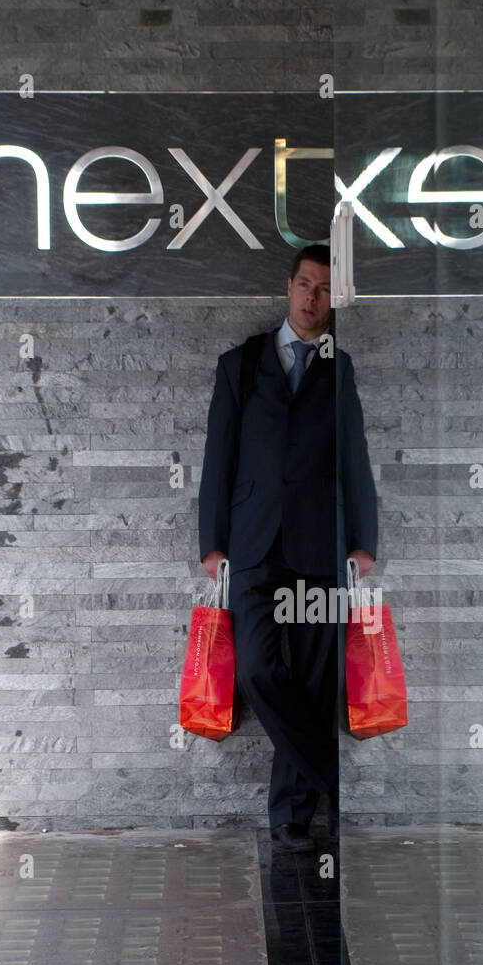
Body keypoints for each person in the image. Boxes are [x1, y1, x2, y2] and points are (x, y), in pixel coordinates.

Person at [198, 244, 378, 851]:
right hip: (252, 544)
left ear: (334, 299)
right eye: (305, 284)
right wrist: (212, 542)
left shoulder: (340, 367)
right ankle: (330, 776)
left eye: (325, 289)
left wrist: (362, 540)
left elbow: (355, 457)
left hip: (320, 545)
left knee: (314, 680)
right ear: (289, 286)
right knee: (257, 670)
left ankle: (291, 819)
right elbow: (217, 460)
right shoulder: (241, 363)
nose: (312, 298)